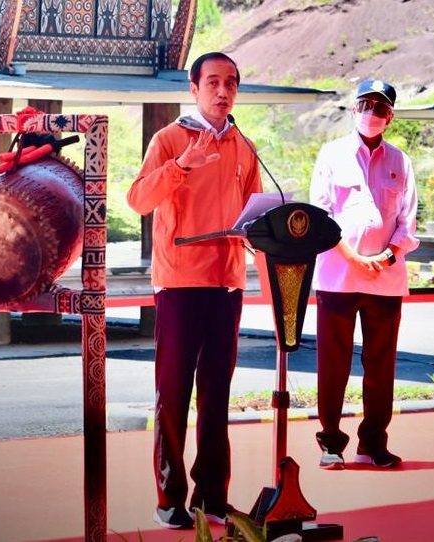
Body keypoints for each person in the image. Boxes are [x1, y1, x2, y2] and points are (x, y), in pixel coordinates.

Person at [126, 51, 262, 529]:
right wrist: (183, 163)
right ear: (194, 87)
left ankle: (212, 498)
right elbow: (138, 199)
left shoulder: (243, 145)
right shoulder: (169, 138)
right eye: (213, 82)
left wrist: (263, 265)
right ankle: (169, 500)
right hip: (181, 281)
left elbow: (256, 216)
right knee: (174, 393)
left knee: (217, 395)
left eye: (231, 83)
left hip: (227, 283)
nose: (223, 91)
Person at [309, 78, 420, 470]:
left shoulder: (400, 162)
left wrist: (388, 257)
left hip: (385, 280)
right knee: (333, 364)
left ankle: (373, 442)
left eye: (380, 107)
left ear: (390, 116)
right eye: (365, 105)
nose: (371, 113)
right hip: (338, 276)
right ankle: (331, 443)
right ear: (354, 109)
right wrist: (353, 256)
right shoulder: (332, 154)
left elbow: (408, 223)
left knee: (381, 366)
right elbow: (320, 215)